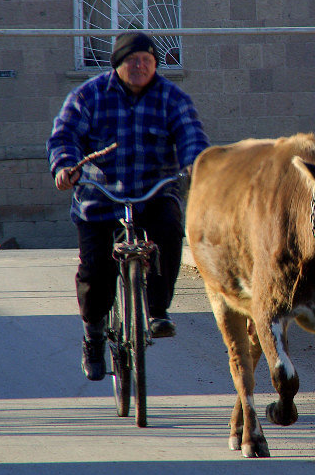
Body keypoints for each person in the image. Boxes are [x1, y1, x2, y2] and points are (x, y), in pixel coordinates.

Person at [48, 31, 210, 381]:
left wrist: (194, 163)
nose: (139, 66)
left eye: (147, 61)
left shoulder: (172, 98)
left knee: (169, 229)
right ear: (117, 64)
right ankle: (93, 335)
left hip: (154, 192)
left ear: (155, 65)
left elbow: (190, 134)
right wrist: (64, 166)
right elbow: (64, 135)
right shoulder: (88, 95)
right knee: (96, 275)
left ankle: (157, 309)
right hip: (99, 199)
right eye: (132, 61)